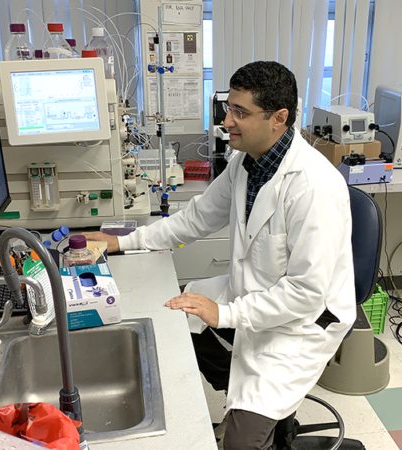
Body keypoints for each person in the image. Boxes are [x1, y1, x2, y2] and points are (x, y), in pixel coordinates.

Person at [86, 61, 355, 450]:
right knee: (178, 315)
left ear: (279, 118)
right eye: (228, 108)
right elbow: (195, 219)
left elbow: (305, 293)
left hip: (304, 321)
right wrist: (124, 241)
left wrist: (226, 314)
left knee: (239, 445)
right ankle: (248, 401)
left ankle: (255, 413)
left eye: (240, 113)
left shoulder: (314, 187)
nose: (227, 121)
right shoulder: (245, 163)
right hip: (257, 294)